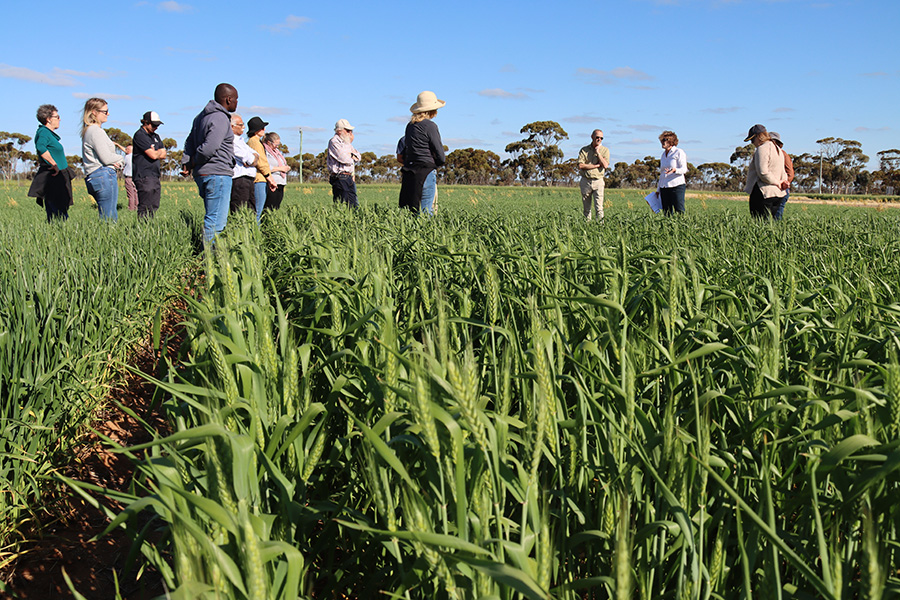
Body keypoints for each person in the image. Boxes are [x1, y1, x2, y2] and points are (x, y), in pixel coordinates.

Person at [182, 83, 238, 243]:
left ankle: (207, 260)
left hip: (204, 174)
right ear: (228, 99)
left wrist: (187, 161)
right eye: (236, 99)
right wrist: (193, 160)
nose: (236, 103)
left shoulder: (201, 117)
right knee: (215, 223)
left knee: (211, 217)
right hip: (218, 174)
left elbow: (189, 142)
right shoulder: (220, 117)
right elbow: (209, 148)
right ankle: (208, 262)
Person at [398, 91, 446, 215]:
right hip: (426, 171)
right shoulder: (430, 126)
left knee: (413, 210)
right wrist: (438, 163)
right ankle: (425, 234)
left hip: (410, 171)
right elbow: (439, 151)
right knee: (426, 210)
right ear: (432, 110)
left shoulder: (410, 126)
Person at [28, 104, 74, 222]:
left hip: (59, 175)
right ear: (48, 119)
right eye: (57, 117)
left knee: (59, 210)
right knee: (58, 212)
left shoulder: (48, 133)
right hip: (54, 176)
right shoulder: (43, 132)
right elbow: (41, 148)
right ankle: (59, 234)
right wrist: (54, 164)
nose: (60, 119)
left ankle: (57, 233)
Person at [80, 98, 124, 221]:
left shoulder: (88, 131)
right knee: (109, 217)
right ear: (94, 112)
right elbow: (106, 158)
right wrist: (121, 158)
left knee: (107, 215)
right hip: (103, 175)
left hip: (95, 175)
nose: (108, 114)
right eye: (105, 111)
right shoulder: (95, 131)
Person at [743, 124, 787, 220]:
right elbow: (783, 172)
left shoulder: (762, 149)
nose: (752, 143)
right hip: (778, 193)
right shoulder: (778, 149)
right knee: (771, 225)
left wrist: (777, 182)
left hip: (763, 192)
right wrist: (783, 182)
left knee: (759, 224)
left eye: (752, 139)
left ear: (759, 136)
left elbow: (763, 173)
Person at [132, 111, 167, 219]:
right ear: (145, 122)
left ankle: (149, 229)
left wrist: (157, 153)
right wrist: (157, 153)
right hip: (144, 175)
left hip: (155, 175)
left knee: (154, 205)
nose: (156, 127)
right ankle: (142, 230)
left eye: (157, 125)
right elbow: (153, 155)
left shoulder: (156, 136)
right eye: (153, 125)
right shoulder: (140, 135)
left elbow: (164, 154)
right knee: (145, 207)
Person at [246, 116, 277, 221]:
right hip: (259, 179)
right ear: (256, 130)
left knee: (256, 211)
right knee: (257, 212)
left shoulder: (252, 141)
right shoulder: (255, 142)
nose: (264, 130)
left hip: (258, 178)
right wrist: (270, 178)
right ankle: (256, 234)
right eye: (262, 128)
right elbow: (261, 162)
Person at [327, 119, 361, 209]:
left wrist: (350, 153)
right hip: (340, 178)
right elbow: (344, 159)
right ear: (339, 131)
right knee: (342, 206)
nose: (350, 133)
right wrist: (350, 154)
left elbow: (358, 157)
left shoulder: (346, 143)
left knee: (354, 206)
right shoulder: (334, 142)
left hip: (349, 177)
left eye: (351, 131)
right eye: (348, 130)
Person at [577, 129, 609, 221]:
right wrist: (596, 165)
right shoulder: (584, 150)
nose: (599, 139)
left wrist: (598, 153)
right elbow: (580, 165)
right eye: (597, 137)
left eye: (601, 138)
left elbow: (605, 165)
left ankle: (600, 227)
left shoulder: (605, 150)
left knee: (599, 208)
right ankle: (587, 227)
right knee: (586, 209)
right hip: (585, 181)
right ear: (592, 137)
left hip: (598, 181)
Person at [229, 113, 258, 213]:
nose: (244, 127)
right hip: (239, 179)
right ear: (232, 126)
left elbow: (255, 155)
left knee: (251, 210)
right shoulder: (231, 141)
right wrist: (253, 159)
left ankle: (250, 229)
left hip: (248, 179)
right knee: (239, 210)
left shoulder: (240, 140)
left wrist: (253, 159)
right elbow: (249, 159)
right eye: (241, 125)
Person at [656, 130, 688, 215]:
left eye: (665, 140)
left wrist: (675, 170)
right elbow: (662, 173)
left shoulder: (679, 152)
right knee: (666, 212)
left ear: (671, 141)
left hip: (676, 186)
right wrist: (658, 189)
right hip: (664, 187)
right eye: (662, 140)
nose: (662, 142)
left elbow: (684, 169)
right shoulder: (663, 155)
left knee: (679, 210)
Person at [770, 132, 795, 220]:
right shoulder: (769, 154)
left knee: (776, 217)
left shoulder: (782, 154)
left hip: (781, 189)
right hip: (772, 189)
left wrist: (782, 183)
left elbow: (790, 173)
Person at [263, 132, 290, 211]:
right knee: (269, 207)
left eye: (278, 144)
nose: (277, 147)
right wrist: (280, 169)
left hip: (281, 182)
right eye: (275, 144)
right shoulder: (265, 152)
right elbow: (265, 167)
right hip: (272, 182)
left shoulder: (277, 152)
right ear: (269, 143)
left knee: (276, 207)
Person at [123, 145, 138, 210]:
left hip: (128, 177)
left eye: (126, 149)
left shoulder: (126, 157)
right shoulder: (136, 157)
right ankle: (136, 206)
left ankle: (131, 208)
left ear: (128, 150)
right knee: (135, 193)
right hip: (135, 177)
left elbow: (122, 165)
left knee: (130, 194)